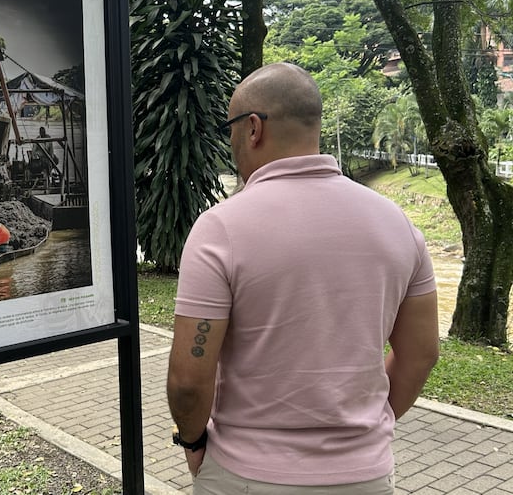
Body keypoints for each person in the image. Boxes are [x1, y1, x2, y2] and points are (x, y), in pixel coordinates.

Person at [167, 63, 439, 494]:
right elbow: (421, 354)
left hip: (246, 476)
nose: (232, 141)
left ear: (253, 128)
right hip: (365, 478)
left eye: (231, 129)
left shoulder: (221, 228)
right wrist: (363, 432)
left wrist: (194, 442)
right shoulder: (396, 224)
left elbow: (187, 381)